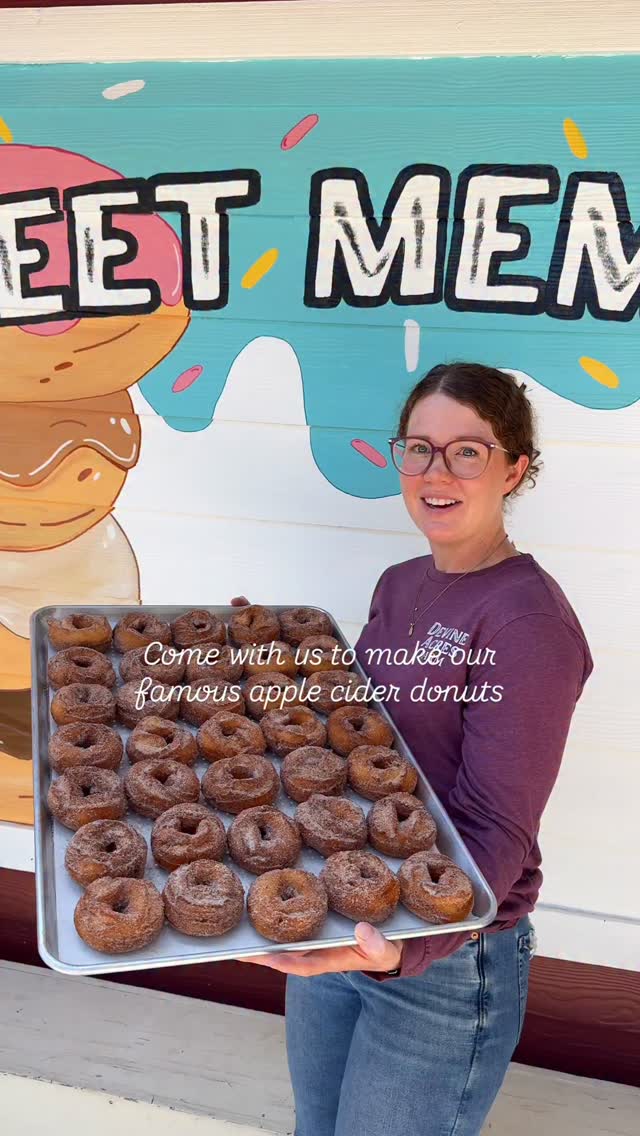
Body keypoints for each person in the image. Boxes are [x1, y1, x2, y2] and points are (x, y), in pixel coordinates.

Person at [231, 361, 594, 1136]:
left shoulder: (526, 623)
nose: (437, 471)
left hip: (444, 960)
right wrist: (268, 664)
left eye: (468, 450)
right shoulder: (400, 584)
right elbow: (366, 735)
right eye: (420, 448)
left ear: (514, 468)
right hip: (344, 910)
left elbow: (498, 828)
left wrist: (402, 952)